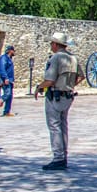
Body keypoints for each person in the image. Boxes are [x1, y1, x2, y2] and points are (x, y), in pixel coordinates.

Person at [34, 33, 85, 170]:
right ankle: (64, 156)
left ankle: (58, 157)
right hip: (67, 95)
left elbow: (50, 80)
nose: (51, 46)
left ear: (56, 44)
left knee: (54, 127)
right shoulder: (73, 58)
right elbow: (81, 76)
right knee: (63, 126)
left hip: (56, 95)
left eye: (52, 43)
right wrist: (69, 85)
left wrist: (39, 87)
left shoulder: (56, 58)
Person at [0, 45, 15, 116]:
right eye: (13, 50)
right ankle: (0, 100)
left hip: (10, 79)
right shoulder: (4, 58)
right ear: (10, 51)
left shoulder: (9, 59)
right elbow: (2, 68)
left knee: (10, 95)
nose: (14, 52)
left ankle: (7, 111)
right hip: (5, 79)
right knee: (8, 93)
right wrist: (5, 78)